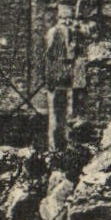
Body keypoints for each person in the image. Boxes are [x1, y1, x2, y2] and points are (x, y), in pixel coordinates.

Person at [44, 12, 73, 152]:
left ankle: (57, 147)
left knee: (58, 115)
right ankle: (57, 147)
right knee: (59, 115)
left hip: (60, 80)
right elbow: (52, 56)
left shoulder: (58, 32)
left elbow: (51, 55)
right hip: (61, 79)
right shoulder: (60, 32)